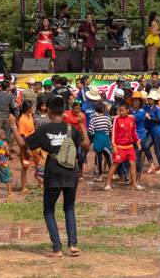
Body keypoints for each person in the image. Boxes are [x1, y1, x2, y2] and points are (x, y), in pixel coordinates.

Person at [25, 96, 91, 257]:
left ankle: (57, 248)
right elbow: (87, 146)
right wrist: (82, 124)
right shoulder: (72, 129)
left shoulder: (44, 129)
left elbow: (25, 144)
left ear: (48, 111)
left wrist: (13, 127)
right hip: (70, 171)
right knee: (69, 208)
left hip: (53, 170)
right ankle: (73, 245)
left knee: (49, 211)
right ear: (63, 111)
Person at [105, 103, 143, 191]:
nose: (120, 112)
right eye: (119, 111)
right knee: (115, 164)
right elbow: (113, 132)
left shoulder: (132, 118)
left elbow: (134, 131)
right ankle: (108, 183)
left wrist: (137, 142)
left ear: (127, 110)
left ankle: (134, 184)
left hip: (129, 146)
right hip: (120, 146)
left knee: (133, 164)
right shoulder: (116, 119)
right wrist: (114, 145)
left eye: (122, 110)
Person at [88, 102, 112, 182]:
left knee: (99, 158)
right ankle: (111, 174)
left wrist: (94, 135)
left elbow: (90, 130)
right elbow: (110, 129)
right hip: (105, 138)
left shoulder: (93, 119)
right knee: (108, 157)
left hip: (97, 139)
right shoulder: (107, 118)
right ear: (104, 110)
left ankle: (100, 176)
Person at [16, 100, 36, 192]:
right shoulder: (22, 119)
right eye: (31, 107)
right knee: (25, 166)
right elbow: (22, 136)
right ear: (27, 108)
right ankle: (23, 187)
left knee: (38, 163)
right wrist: (27, 149)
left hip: (33, 144)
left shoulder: (30, 116)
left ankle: (40, 183)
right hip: (26, 146)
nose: (33, 109)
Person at [145, 90, 160, 175]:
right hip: (152, 132)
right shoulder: (150, 107)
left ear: (154, 100)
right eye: (149, 98)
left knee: (157, 150)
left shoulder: (158, 108)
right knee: (145, 147)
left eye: (151, 98)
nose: (149, 100)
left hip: (158, 132)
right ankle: (152, 165)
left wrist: (150, 118)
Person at [0, 80, 17, 147]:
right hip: (7, 117)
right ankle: (5, 151)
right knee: (6, 135)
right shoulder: (10, 95)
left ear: (1, 87)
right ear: (7, 87)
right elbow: (12, 106)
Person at [0, 129, 13, 198]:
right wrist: (10, 156)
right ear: (1, 135)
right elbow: (7, 153)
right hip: (4, 163)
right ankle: (10, 193)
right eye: (4, 134)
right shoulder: (4, 143)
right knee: (8, 177)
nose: (5, 135)